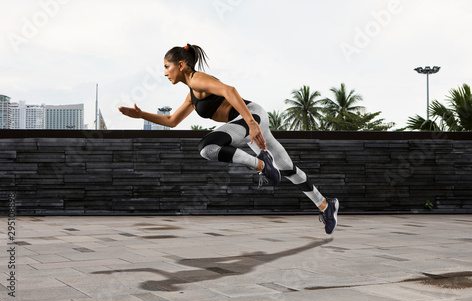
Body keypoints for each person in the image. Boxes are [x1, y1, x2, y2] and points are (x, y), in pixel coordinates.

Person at [119, 44, 339, 234]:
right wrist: (141, 115)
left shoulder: (198, 79)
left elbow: (229, 90)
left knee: (208, 147)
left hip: (250, 117)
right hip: (246, 124)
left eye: (167, 67)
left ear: (181, 65)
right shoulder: (191, 94)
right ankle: (326, 206)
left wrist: (252, 124)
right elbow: (171, 120)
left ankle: (262, 165)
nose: (165, 72)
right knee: (288, 169)